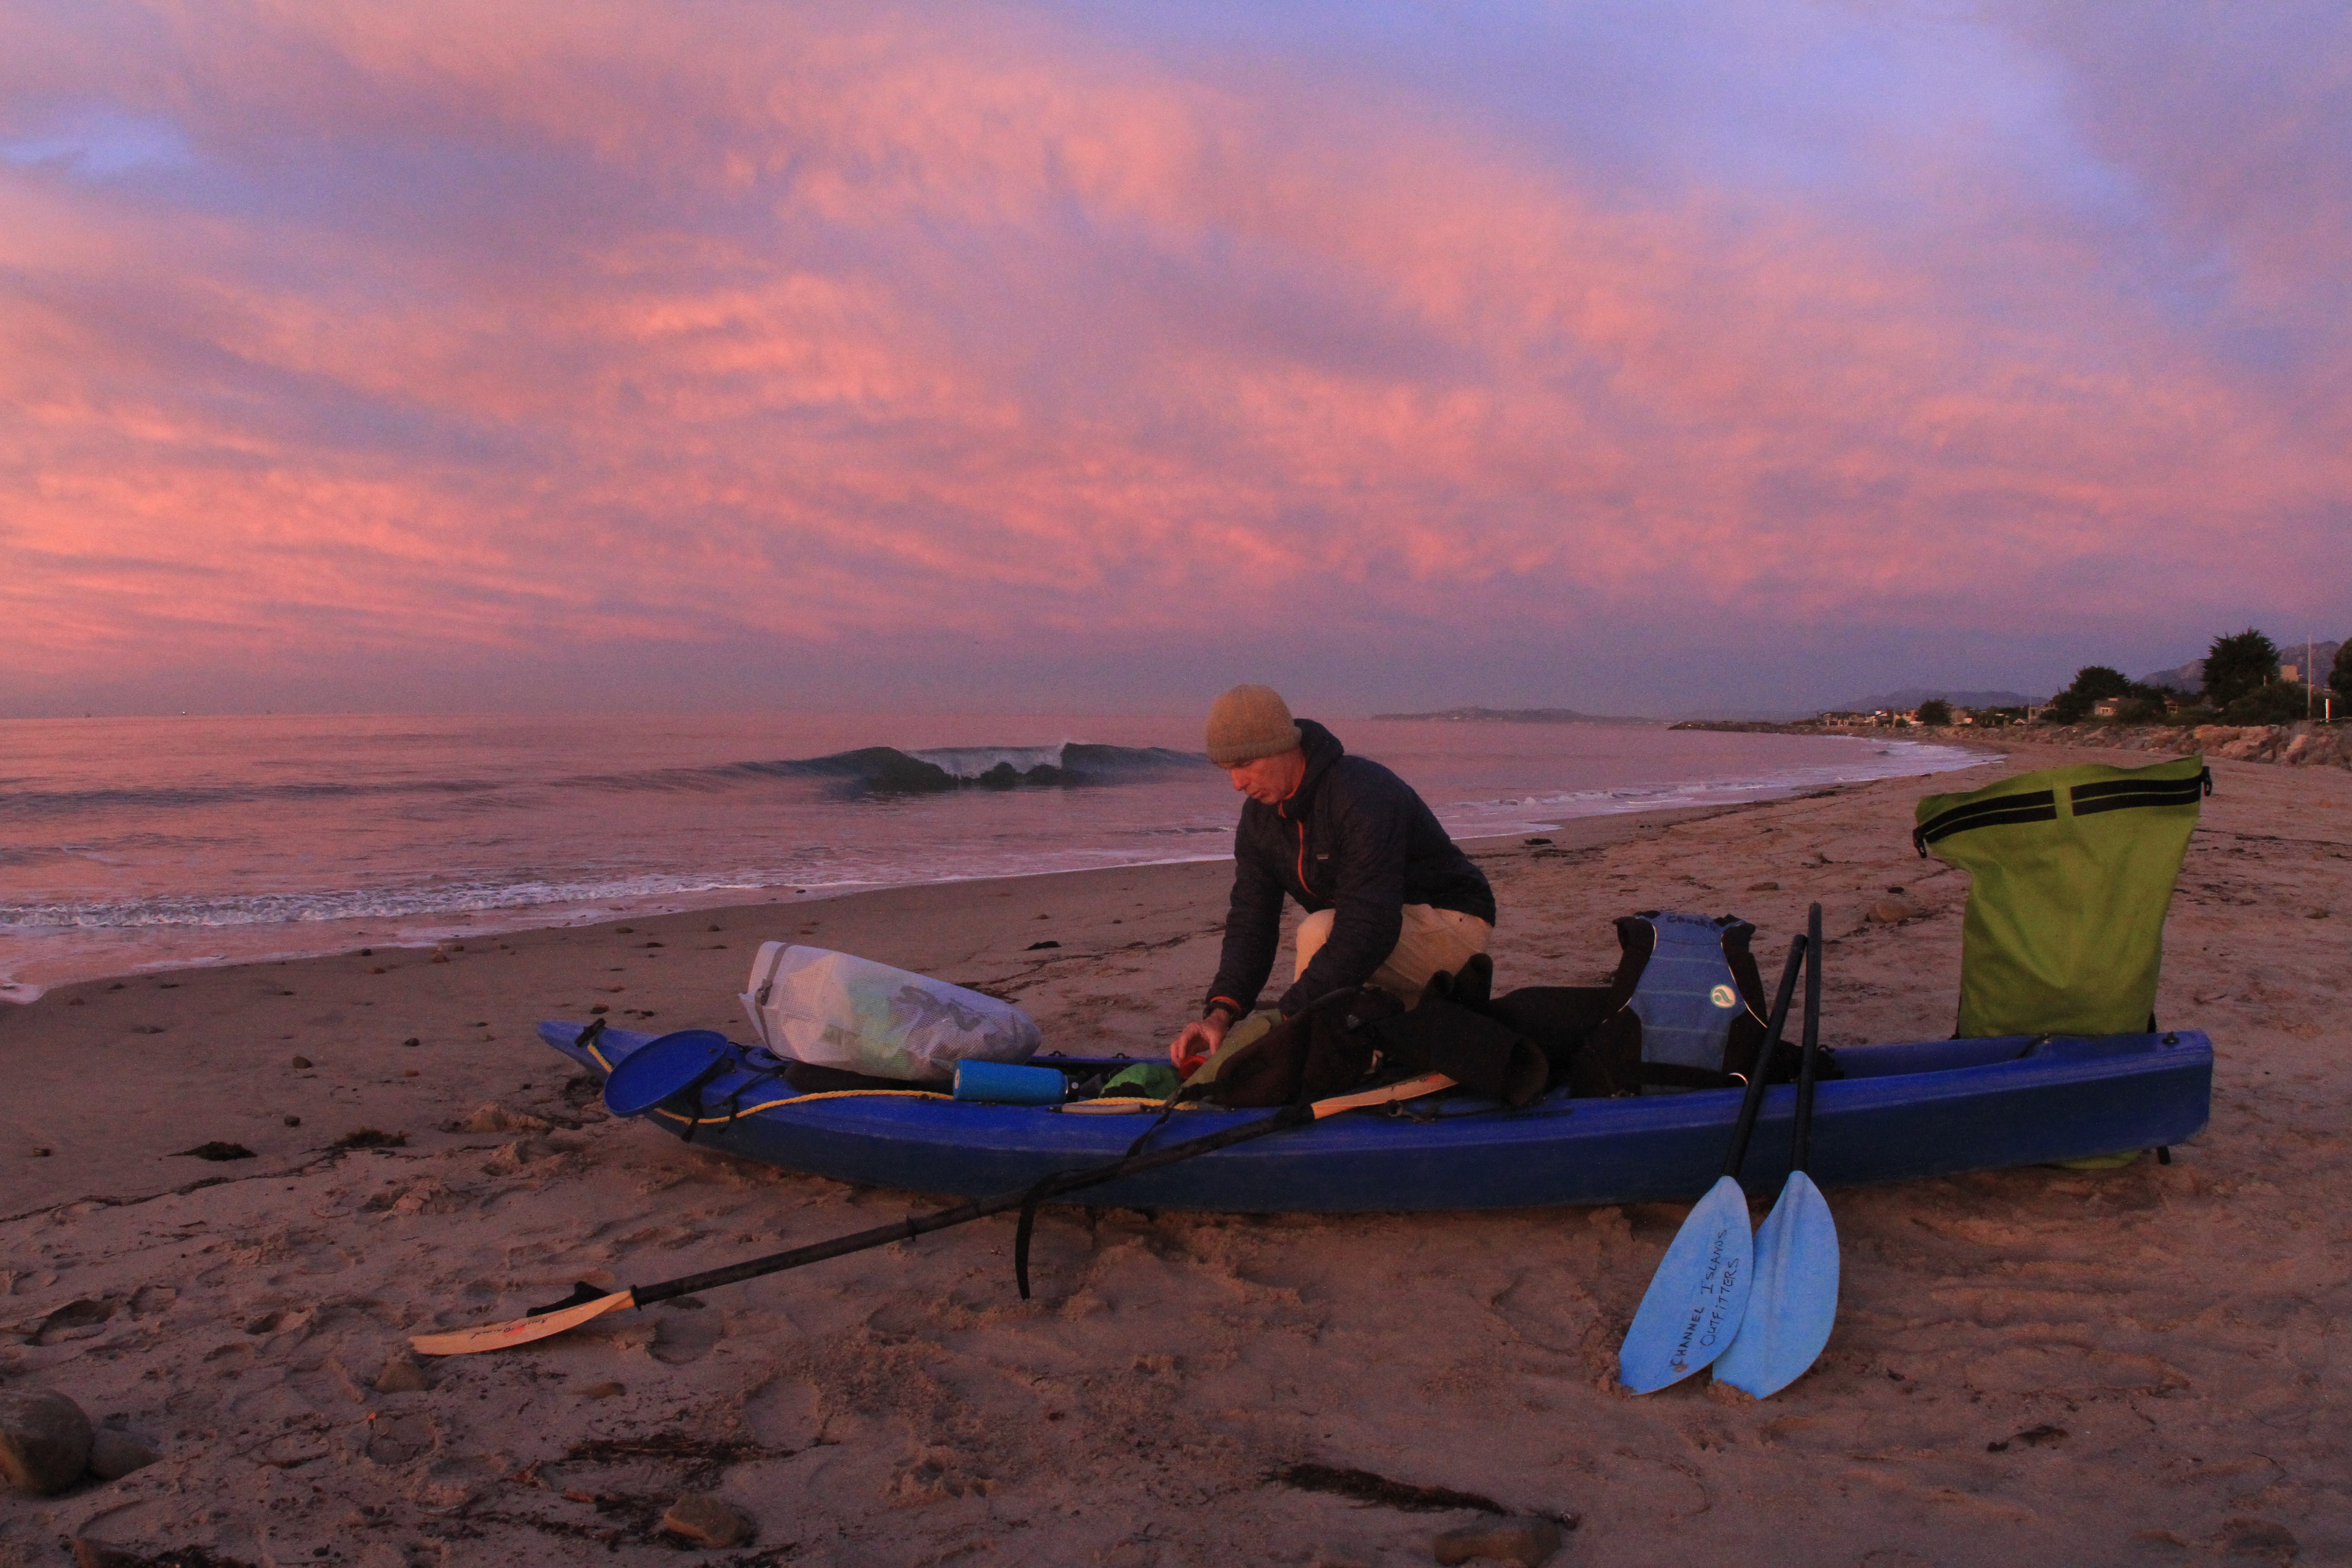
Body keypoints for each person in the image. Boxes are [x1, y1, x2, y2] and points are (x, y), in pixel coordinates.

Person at [1167, 685, 1496, 1072]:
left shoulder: (1361, 794)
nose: (1237, 783)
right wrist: (1221, 1013)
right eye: (1228, 770)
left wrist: (1283, 1019)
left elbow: (1369, 928)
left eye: (1245, 765)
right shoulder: (1259, 822)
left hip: (1453, 925)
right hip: (1385, 934)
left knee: (1318, 932)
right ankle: (1349, 1047)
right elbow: (1250, 922)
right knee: (1328, 944)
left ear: (1283, 745)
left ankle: (1307, 1062)